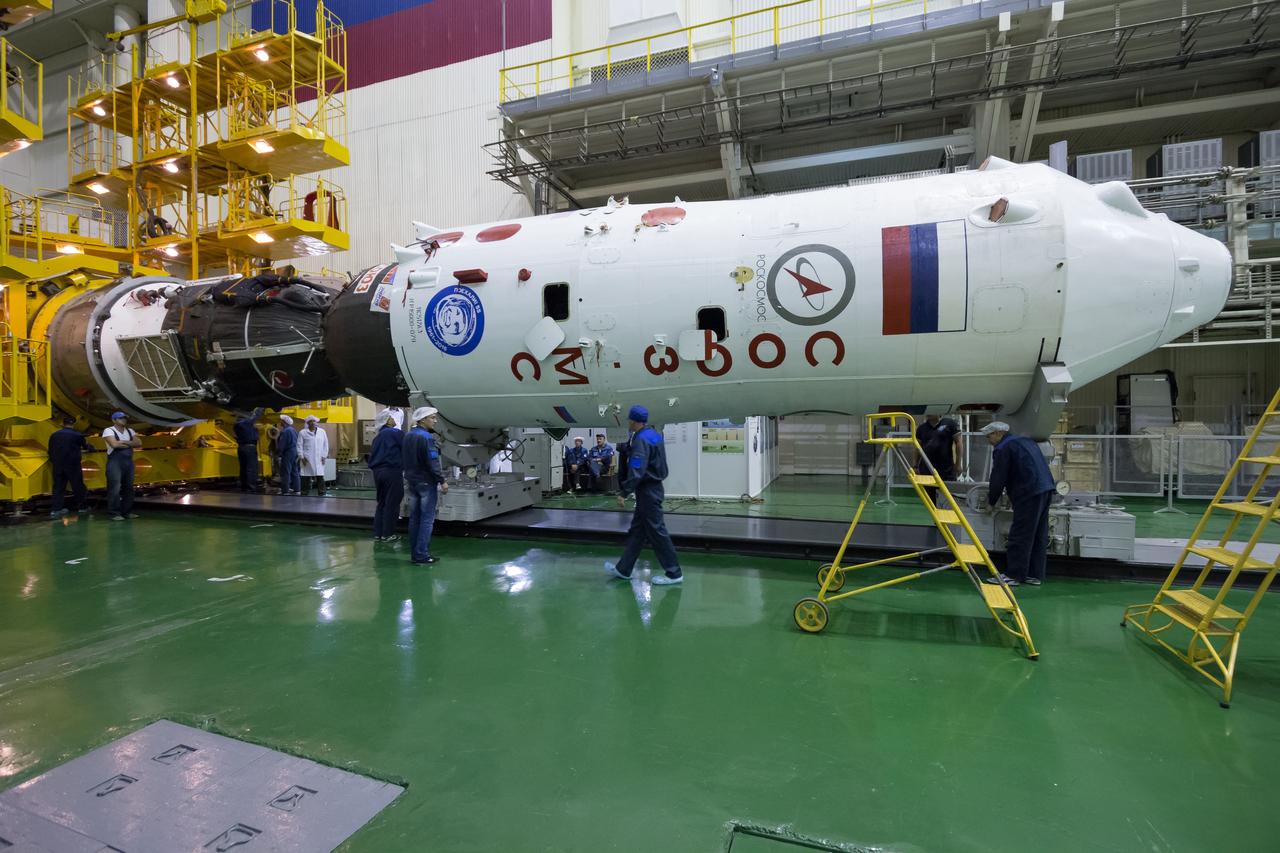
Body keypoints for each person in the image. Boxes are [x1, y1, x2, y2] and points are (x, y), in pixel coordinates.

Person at [605, 405, 683, 585]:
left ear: (633, 421)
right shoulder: (654, 435)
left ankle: (674, 573)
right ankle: (624, 569)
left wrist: (624, 492)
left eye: (629, 420)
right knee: (638, 531)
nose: (628, 423)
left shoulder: (640, 439)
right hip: (653, 488)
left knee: (657, 531)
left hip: (647, 491)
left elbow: (637, 469)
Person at [981, 421, 1056, 587]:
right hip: (1046, 489)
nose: (989, 441)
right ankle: (1034, 574)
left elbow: (998, 477)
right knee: (1038, 534)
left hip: (1028, 493)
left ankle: (1014, 575)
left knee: (1020, 534)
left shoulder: (1003, 448)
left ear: (999, 433)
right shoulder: (1025, 441)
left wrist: (991, 501)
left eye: (989, 436)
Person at [403, 406, 448, 565]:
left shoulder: (408, 435)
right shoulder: (426, 438)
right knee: (427, 520)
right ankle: (422, 555)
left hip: (412, 481)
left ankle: (415, 554)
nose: (435, 421)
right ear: (423, 420)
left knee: (414, 518)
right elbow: (432, 462)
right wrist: (442, 480)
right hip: (426, 482)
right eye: (432, 418)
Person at [368, 409, 404, 542]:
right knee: (393, 503)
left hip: (378, 473)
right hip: (392, 471)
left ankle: (378, 533)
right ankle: (388, 534)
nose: (395, 419)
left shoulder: (378, 436)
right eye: (392, 417)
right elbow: (408, 446)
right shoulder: (395, 433)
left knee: (382, 502)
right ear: (387, 420)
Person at [915, 414, 963, 505]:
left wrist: (958, 464)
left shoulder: (950, 424)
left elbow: (959, 443)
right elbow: (917, 448)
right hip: (927, 469)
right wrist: (915, 465)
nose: (929, 413)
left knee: (949, 500)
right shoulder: (921, 428)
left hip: (946, 469)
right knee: (930, 501)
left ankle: (949, 518)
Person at [102, 411, 141, 520]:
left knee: (129, 487)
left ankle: (127, 512)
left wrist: (123, 442)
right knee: (115, 487)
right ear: (114, 420)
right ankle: (114, 513)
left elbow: (138, 443)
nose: (124, 420)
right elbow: (114, 444)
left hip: (128, 462)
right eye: (120, 418)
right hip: (115, 462)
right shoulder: (108, 430)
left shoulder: (130, 431)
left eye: (124, 418)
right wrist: (129, 443)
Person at [47, 415, 89, 516]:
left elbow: (50, 449)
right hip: (73, 464)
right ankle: (82, 507)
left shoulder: (54, 435)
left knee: (58, 486)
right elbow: (85, 446)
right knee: (77, 485)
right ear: (73, 424)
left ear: (63, 423)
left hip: (58, 464)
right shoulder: (77, 435)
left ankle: (56, 509)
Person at [298, 415, 330, 496]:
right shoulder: (302, 432)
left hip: (319, 458)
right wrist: (301, 457)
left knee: (320, 476)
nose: (313, 423)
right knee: (305, 476)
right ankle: (304, 492)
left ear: (316, 422)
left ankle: (322, 492)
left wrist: (324, 456)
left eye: (314, 421)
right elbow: (299, 445)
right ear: (308, 423)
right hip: (307, 458)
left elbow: (325, 444)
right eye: (310, 422)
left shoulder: (322, 432)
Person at [234, 410, 262, 493]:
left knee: (243, 468)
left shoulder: (237, 425)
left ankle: (244, 487)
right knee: (251, 468)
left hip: (241, 448)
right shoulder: (244, 423)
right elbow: (255, 416)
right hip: (249, 448)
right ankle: (251, 489)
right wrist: (260, 408)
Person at [277, 414, 300, 494]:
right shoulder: (293, 430)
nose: (280, 422)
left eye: (281, 421)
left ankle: (285, 490)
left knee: (286, 472)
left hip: (287, 453)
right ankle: (297, 490)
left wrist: (279, 454)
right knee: (295, 471)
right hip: (295, 452)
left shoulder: (285, 431)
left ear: (284, 422)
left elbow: (281, 445)